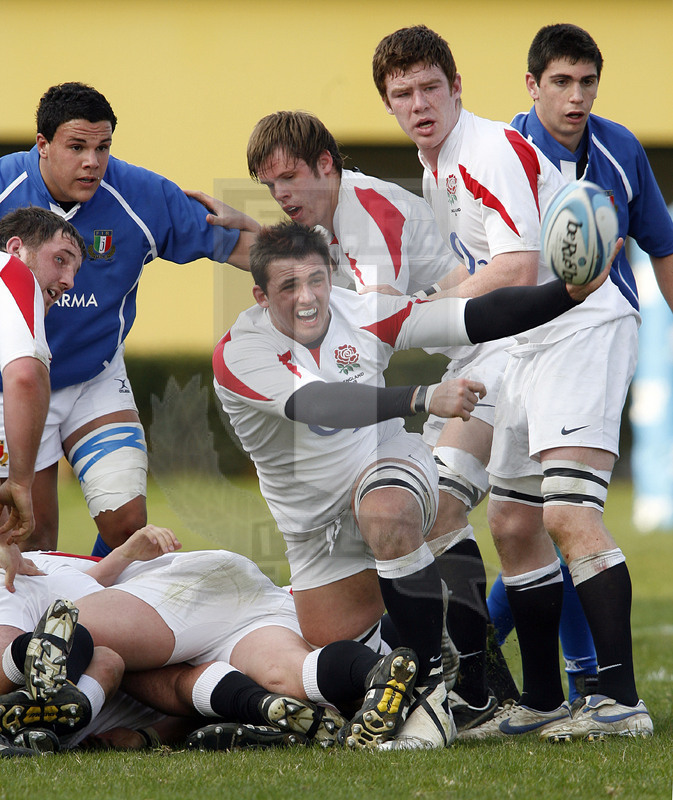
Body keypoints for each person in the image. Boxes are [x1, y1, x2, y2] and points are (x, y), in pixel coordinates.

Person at [213, 219, 615, 748]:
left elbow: (474, 317)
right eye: (289, 287)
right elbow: (316, 404)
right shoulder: (239, 352)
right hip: (314, 531)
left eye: (317, 280)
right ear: (261, 296)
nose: (308, 298)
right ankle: (438, 644)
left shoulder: (362, 313)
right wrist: (423, 396)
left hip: (385, 469)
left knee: (385, 512)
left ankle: (434, 703)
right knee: (347, 686)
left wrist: (567, 293)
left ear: (331, 276)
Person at [371, 24, 566, 727]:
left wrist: (418, 316)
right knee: (444, 510)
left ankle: (506, 693)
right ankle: (488, 692)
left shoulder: (484, 148)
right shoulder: (437, 165)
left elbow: (517, 268)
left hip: (539, 341)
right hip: (495, 343)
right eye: (402, 94)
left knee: (500, 517)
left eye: (429, 88)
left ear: (456, 88)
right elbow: (471, 268)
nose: (418, 103)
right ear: (389, 105)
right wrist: (389, 312)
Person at [487, 22, 673, 709]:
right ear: (531, 84)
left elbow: (661, 245)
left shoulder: (620, 148)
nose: (575, 97)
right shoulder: (499, 151)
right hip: (514, 342)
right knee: (509, 522)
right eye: (560, 82)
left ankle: (610, 696)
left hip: (594, 332)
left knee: (566, 511)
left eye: (586, 82)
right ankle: (519, 686)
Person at [0, 82, 261, 555]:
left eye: (103, 148)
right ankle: (44, 630)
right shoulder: (4, 185)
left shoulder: (140, 194)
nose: (92, 162)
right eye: (76, 147)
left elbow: (243, 248)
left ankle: (101, 624)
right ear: (43, 145)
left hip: (93, 378)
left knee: (127, 522)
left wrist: (295, 251)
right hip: (12, 384)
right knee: (33, 537)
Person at [0, 208, 84, 581]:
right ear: (17, 249)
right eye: (60, 260)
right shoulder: (12, 272)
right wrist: (20, 482)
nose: (67, 281)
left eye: (74, 272)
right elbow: (26, 379)